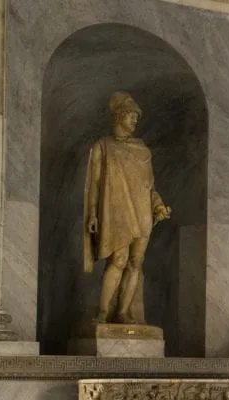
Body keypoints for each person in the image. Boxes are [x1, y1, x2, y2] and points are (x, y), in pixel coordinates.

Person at [84, 92, 171, 325]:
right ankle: (103, 312)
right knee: (119, 260)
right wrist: (92, 213)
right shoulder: (103, 146)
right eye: (131, 116)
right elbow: (94, 183)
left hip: (142, 213)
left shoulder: (142, 149)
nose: (135, 120)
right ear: (119, 116)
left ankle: (122, 312)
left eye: (136, 117)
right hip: (117, 213)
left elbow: (149, 186)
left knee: (136, 262)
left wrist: (158, 205)